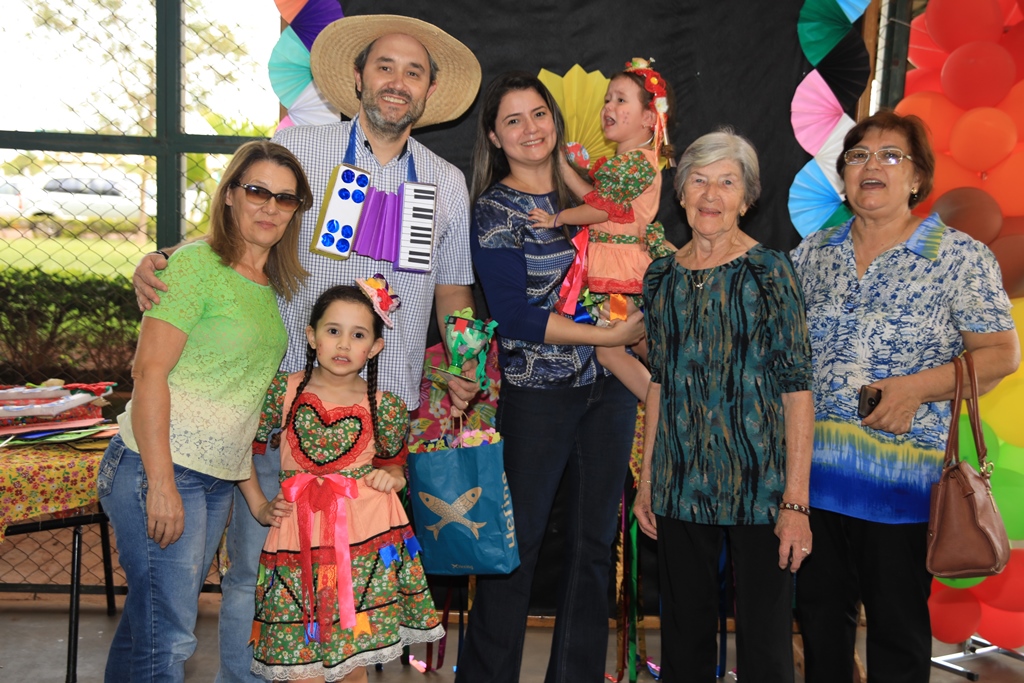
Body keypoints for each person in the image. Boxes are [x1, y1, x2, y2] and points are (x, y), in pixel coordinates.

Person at [131, 15, 482, 682]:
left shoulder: (446, 182)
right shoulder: (304, 150)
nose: (397, 82)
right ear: (357, 77)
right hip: (287, 408)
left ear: (430, 91)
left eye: (413, 72)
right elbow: (245, 225)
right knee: (260, 570)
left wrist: (465, 365)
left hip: (379, 421)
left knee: (353, 585)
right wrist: (163, 257)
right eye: (384, 66)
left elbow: (454, 290)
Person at [791, 110, 1020, 683]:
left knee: (897, 638)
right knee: (820, 629)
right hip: (812, 481)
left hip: (904, 485)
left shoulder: (958, 255)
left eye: (891, 155)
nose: (872, 165)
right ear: (844, 175)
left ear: (917, 178)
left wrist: (916, 388)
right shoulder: (812, 253)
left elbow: (1000, 354)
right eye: (858, 156)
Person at [96, 140, 313, 682]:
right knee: (168, 638)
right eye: (257, 191)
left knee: (151, 627)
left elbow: (241, 403)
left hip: (215, 480)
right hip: (159, 468)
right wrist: (161, 483)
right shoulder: (194, 265)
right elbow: (148, 373)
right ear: (230, 195)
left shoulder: (270, 285)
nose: (270, 207)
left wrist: (252, 496)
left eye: (285, 198)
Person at [455, 71, 646, 683]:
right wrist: (608, 339)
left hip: (610, 392)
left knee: (594, 548)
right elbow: (514, 318)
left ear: (555, 121)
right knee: (516, 547)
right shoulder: (494, 210)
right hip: (540, 394)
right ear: (495, 137)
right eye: (513, 120)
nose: (530, 128)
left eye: (539, 114)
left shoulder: (593, 194)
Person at [633, 129, 814, 683]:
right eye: (699, 180)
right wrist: (648, 481)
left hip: (761, 487)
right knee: (683, 640)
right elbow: (660, 382)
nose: (711, 195)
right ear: (681, 193)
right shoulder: (660, 275)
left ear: (746, 198)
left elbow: (798, 387)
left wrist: (796, 501)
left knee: (764, 646)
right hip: (679, 483)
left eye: (727, 182)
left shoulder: (769, 270)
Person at [240, 284, 444, 682]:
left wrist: (393, 476)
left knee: (352, 662)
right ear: (311, 335)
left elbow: (393, 463)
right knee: (300, 666)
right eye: (333, 331)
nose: (344, 344)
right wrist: (259, 505)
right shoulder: (282, 391)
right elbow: (241, 448)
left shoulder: (385, 406)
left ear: (375, 347)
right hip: (296, 541)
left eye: (358, 334)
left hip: (360, 545)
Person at [528, 57, 676, 401]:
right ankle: (675, 399)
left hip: (620, 275)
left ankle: (664, 411)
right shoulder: (630, 162)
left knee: (611, 349)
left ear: (649, 118)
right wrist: (564, 167)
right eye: (608, 99)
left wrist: (557, 218)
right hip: (623, 269)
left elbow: (597, 210)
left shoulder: (633, 164)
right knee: (638, 341)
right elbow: (599, 201)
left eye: (621, 100)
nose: (609, 106)